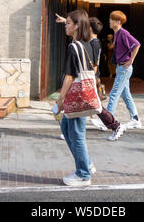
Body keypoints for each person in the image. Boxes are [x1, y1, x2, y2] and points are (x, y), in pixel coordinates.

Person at [56, 13, 125, 141]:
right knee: (79, 105)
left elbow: (93, 64)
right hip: (88, 78)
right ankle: (68, 131)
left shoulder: (92, 43)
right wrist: (66, 21)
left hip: (89, 79)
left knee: (95, 107)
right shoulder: (90, 41)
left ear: (90, 29)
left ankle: (116, 126)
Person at [56, 10, 95, 187]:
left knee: (77, 134)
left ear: (77, 26)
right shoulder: (88, 44)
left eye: (68, 23)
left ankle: (83, 174)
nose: (66, 26)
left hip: (76, 97)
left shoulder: (74, 48)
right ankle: (86, 163)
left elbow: (70, 76)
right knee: (65, 127)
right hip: (83, 95)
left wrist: (60, 98)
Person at [107, 10, 142, 130]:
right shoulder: (116, 34)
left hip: (124, 68)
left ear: (118, 21)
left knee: (113, 94)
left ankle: (107, 120)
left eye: (112, 19)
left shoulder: (123, 32)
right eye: (110, 19)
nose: (109, 21)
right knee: (126, 95)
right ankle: (135, 119)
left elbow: (137, 44)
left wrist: (131, 60)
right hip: (121, 67)